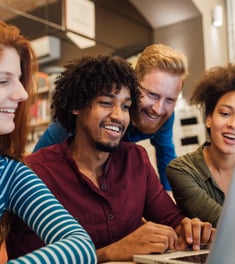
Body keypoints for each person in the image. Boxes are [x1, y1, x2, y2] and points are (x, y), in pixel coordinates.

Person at [6, 55, 214, 262]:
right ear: (76, 106)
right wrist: (109, 253)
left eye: (125, 107)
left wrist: (189, 229)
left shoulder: (136, 159)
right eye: (106, 103)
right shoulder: (34, 173)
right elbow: (30, 258)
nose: (118, 116)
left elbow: (172, 220)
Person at [0, 21, 97, 263]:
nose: (22, 94)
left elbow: (81, 246)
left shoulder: (10, 173)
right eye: (3, 81)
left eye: (20, 80)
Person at [32, 43, 188, 192]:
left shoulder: (165, 116)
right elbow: (34, 164)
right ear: (132, 86)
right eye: (152, 94)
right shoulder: (79, 119)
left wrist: (169, 194)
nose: (158, 109)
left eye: (170, 100)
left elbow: (165, 152)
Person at [166, 62, 235, 227]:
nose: (234, 124)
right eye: (225, 113)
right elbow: (224, 223)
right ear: (209, 118)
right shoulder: (182, 170)